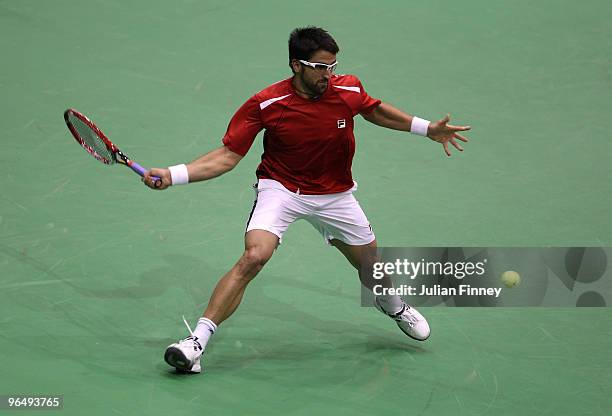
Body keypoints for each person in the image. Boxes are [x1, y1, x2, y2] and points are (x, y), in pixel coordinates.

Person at [143, 27, 471, 374]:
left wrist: (425, 128)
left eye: (331, 66)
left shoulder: (347, 87)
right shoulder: (267, 103)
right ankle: (195, 343)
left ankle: (392, 304)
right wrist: (174, 174)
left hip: (335, 194)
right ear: (295, 65)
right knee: (254, 257)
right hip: (282, 190)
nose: (327, 75)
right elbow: (227, 155)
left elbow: (373, 109)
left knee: (371, 267)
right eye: (318, 67)